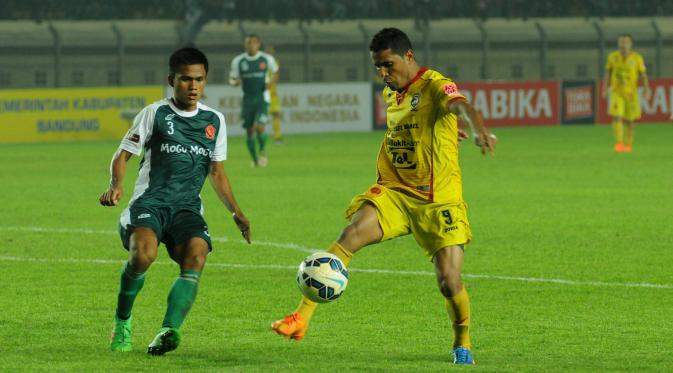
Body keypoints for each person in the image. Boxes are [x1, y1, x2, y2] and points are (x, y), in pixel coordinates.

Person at [271, 27, 495, 365]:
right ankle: (301, 318)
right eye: (378, 67)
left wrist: (477, 130)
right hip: (396, 193)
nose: (383, 73)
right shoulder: (393, 94)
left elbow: (462, 106)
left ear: (409, 56)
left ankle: (462, 340)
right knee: (349, 237)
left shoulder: (435, 83)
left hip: (439, 201)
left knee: (449, 281)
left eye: (388, 65)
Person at [100, 47, 251, 355]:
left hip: (186, 209)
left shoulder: (215, 121)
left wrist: (236, 212)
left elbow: (217, 172)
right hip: (149, 204)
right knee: (143, 255)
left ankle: (167, 331)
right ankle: (122, 322)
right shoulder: (154, 113)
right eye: (185, 80)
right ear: (172, 80)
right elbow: (122, 155)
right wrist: (116, 185)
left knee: (196, 256)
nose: (193, 86)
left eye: (200, 80)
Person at [230, 34, 279, 166]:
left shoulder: (266, 59)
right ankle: (254, 159)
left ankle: (262, 150)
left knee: (259, 127)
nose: (250, 45)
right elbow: (233, 78)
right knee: (250, 130)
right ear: (245, 45)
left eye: (253, 43)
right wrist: (234, 82)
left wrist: (271, 84)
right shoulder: (238, 61)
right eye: (248, 43)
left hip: (262, 98)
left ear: (258, 44)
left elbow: (275, 72)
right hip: (247, 100)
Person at [602, 33, 651, 153]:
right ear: (618, 43)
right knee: (617, 116)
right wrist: (604, 88)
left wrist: (646, 88)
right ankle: (619, 143)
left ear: (630, 44)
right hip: (616, 92)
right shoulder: (612, 57)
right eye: (621, 42)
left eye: (626, 42)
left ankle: (628, 144)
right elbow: (608, 73)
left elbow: (643, 74)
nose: (624, 44)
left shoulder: (637, 58)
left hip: (631, 93)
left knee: (630, 120)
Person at [264, 44, 284, 144]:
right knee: (260, 118)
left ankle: (278, 138)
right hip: (262, 94)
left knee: (276, 115)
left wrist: (270, 85)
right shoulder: (259, 63)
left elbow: (276, 76)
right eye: (268, 52)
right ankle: (259, 139)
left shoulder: (274, 62)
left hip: (272, 94)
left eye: (271, 52)